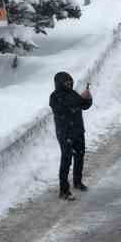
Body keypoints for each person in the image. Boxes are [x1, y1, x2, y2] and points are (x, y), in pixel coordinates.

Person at [49, 72, 93, 200]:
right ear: (59, 84)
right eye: (66, 83)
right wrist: (79, 99)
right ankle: (63, 190)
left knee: (80, 156)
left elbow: (84, 106)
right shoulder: (55, 97)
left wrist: (88, 98)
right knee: (66, 159)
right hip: (65, 133)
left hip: (78, 131)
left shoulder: (72, 93)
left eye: (70, 82)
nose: (69, 84)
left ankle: (77, 182)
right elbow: (63, 108)